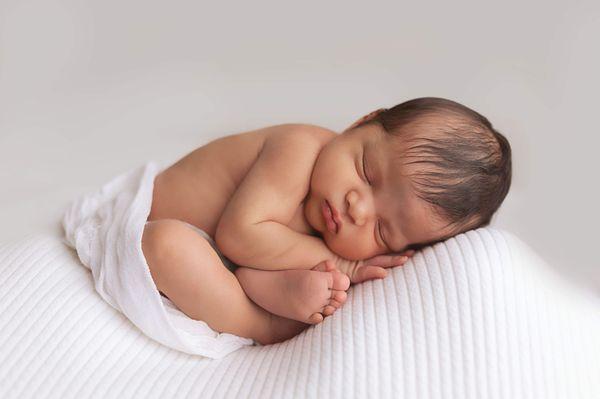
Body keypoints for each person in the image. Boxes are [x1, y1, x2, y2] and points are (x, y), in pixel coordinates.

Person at [142, 97, 512, 345]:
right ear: (361, 123)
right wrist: (345, 264)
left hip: (219, 261)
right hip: (143, 225)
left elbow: (248, 264)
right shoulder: (299, 148)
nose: (358, 209)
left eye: (382, 230)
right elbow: (239, 237)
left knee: (280, 277)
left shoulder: (319, 233)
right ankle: (259, 327)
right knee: (166, 245)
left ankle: (272, 304)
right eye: (366, 172)